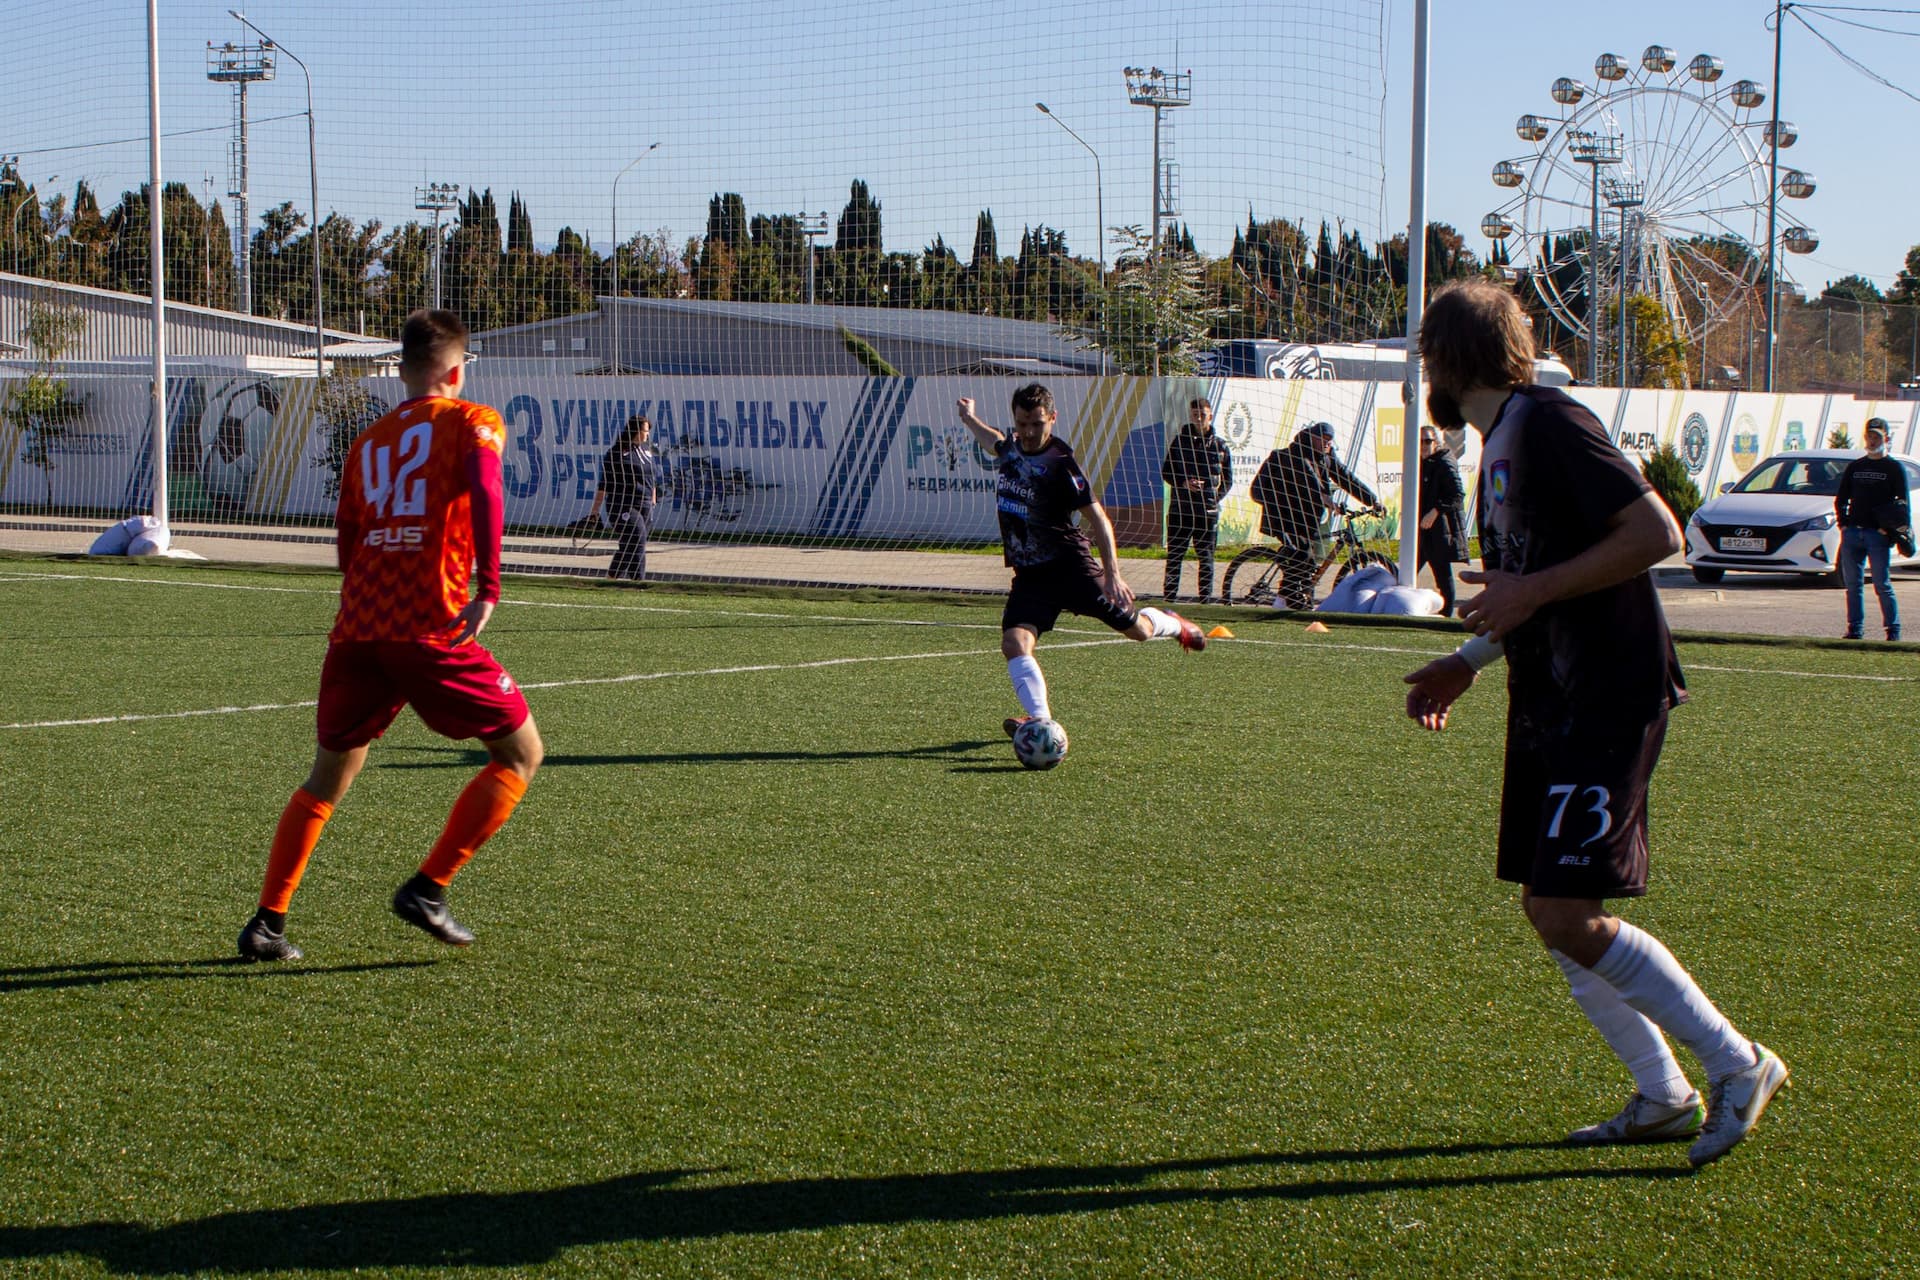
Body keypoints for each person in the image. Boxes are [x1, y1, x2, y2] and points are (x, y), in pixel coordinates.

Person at [1400, 279, 1785, 1168]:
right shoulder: (1503, 443)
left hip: (1608, 693)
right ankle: (1662, 1096)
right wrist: (1468, 662)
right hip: (1553, 697)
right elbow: (1534, 587)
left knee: (1567, 909)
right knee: (1551, 909)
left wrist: (1527, 592)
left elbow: (1658, 532)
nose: (1425, 371)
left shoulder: (1551, 422)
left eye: (1427, 355)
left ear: (1453, 359)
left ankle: (1737, 1064)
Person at [237, 309, 545, 962]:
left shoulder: (367, 442)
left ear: (401, 370)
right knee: (521, 755)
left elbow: (346, 541)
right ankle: (428, 888)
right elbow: (488, 488)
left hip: (357, 630)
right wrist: (488, 584)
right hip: (426, 625)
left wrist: (368, 592)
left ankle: (267, 922)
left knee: (326, 776)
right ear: (457, 373)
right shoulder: (473, 421)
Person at [955, 384, 1206, 737]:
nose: (1028, 432)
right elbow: (994, 441)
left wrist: (1114, 575)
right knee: (1014, 643)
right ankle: (1041, 721)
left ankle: (1171, 622)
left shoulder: (1061, 464)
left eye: (1037, 424)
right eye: (1023, 423)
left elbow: (1099, 519)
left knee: (1137, 631)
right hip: (1031, 576)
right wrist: (969, 419)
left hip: (1073, 570)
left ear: (1052, 419)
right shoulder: (1013, 448)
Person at [1248, 421, 1379, 609]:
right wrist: (1328, 501)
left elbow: (1345, 477)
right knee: (1302, 554)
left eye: (1330, 440)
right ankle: (1291, 601)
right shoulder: (1294, 455)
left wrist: (1372, 501)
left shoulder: (1325, 457)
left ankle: (1286, 599)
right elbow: (1310, 482)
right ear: (1312, 437)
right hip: (1281, 513)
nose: (1328, 444)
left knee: (1304, 560)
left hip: (1305, 517)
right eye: (1324, 439)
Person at [1834, 416, 1906, 641]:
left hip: (1878, 535)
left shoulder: (1894, 468)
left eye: (1877, 436)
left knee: (1881, 584)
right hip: (1853, 533)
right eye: (1869, 436)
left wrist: (1892, 532)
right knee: (1853, 584)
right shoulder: (1856, 466)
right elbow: (1841, 498)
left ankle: (1892, 631)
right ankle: (1855, 629)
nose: (1872, 441)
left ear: (1886, 438)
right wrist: (1844, 524)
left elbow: (1902, 504)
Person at [1160, 398, 1232, 602]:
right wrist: (1183, 483)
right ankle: (1170, 597)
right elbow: (1166, 472)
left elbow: (1228, 479)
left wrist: (1213, 497)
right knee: (1175, 556)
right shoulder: (1180, 441)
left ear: (1210, 416)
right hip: (1180, 509)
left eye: (1203, 414)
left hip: (1207, 512)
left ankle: (1205, 599)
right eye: (1195, 415)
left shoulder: (1221, 445)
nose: (1199, 418)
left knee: (1206, 558)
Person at [586, 413, 659, 582]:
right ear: (635, 431)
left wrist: (653, 497)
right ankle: (638, 581)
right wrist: (595, 510)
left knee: (632, 544)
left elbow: (652, 476)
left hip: (645, 504)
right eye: (645, 431)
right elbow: (605, 483)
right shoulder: (617, 453)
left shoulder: (646, 452)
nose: (647, 435)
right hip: (623, 505)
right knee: (637, 536)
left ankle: (621, 579)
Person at [1416, 425, 1470, 616]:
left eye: (1427, 441)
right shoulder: (1419, 463)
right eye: (1420, 441)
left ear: (1436, 443)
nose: (1423, 445)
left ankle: (1446, 616)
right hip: (1423, 530)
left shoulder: (1444, 462)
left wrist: (1435, 511)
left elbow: (1457, 494)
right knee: (1407, 571)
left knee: (1442, 574)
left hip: (1440, 529)